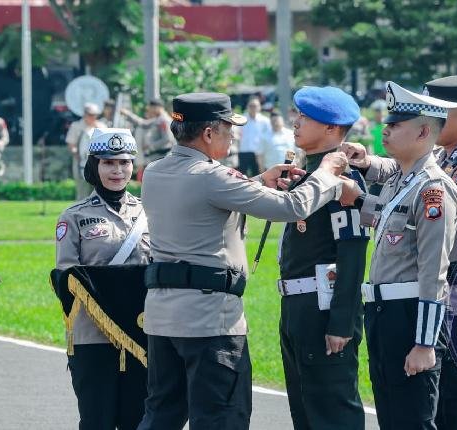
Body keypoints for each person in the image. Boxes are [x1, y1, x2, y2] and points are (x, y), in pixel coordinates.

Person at [137, 92, 357, 430]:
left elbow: (200, 201)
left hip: (162, 319)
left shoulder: (155, 171)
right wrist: (326, 173)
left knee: (161, 415)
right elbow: (292, 207)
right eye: (228, 129)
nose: (233, 136)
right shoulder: (214, 177)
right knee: (222, 418)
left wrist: (257, 183)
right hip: (209, 320)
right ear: (208, 133)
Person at [343, 76, 457, 429]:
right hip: (414, 301)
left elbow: (419, 213)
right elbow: (407, 177)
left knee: (456, 409)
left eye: (440, 111)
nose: (387, 130)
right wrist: (368, 163)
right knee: (408, 408)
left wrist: (360, 200)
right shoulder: (446, 157)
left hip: (453, 297)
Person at [351, 81, 457, 429]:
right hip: (383, 313)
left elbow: (434, 270)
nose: (385, 130)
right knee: (391, 416)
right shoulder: (400, 182)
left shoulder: (433, 189)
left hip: (410, 315)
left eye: (396, 124)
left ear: (424, 132)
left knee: (412, 419)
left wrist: (425, 343)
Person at [277, 86, 369, 429]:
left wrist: (341, 322)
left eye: (306, 117)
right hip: (297, 308)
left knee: (333, 415)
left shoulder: (340, 179)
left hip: (324, 309)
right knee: (305, 413)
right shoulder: (311, 175)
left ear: (331, 128)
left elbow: (352, 253)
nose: (296, 122)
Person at [55, 128, 150, 429]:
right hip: (93, 337)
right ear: (94, 165)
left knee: (140, 420)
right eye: (108, 163)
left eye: (124, 162)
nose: (117, 170)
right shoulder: (74, 216)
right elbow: (67, 277)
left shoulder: (149, 213)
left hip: (143, 336)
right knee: (97, 421)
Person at [66, 103, 106, 200]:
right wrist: (77, 153)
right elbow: (71, 144)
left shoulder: (102, 126)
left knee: (99, 192)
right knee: (82, 192)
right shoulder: (76, 126)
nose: (93, 117)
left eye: (95, 115)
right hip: (81, 162)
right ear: (85, 114)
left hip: (99, 163)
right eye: (90, 114)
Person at [121, 99, 176, 164]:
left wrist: (151, 146)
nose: (149, 111)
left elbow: (167, 139)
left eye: (150, 109)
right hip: (157, 156)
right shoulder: (158, 119)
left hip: (162, 155)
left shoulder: (164, 120)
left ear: (157, 108)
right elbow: (143, 123)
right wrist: (128, 114)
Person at [238, 96, 271, 176]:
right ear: (247, 107)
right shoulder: (241, 119)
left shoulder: (265, 121)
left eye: (255, 106)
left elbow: (268, 136)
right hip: (244, 151)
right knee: (241, 175)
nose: (253, 108)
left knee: (257, 176)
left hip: (258, 153)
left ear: (259, 107)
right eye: (251, 106)